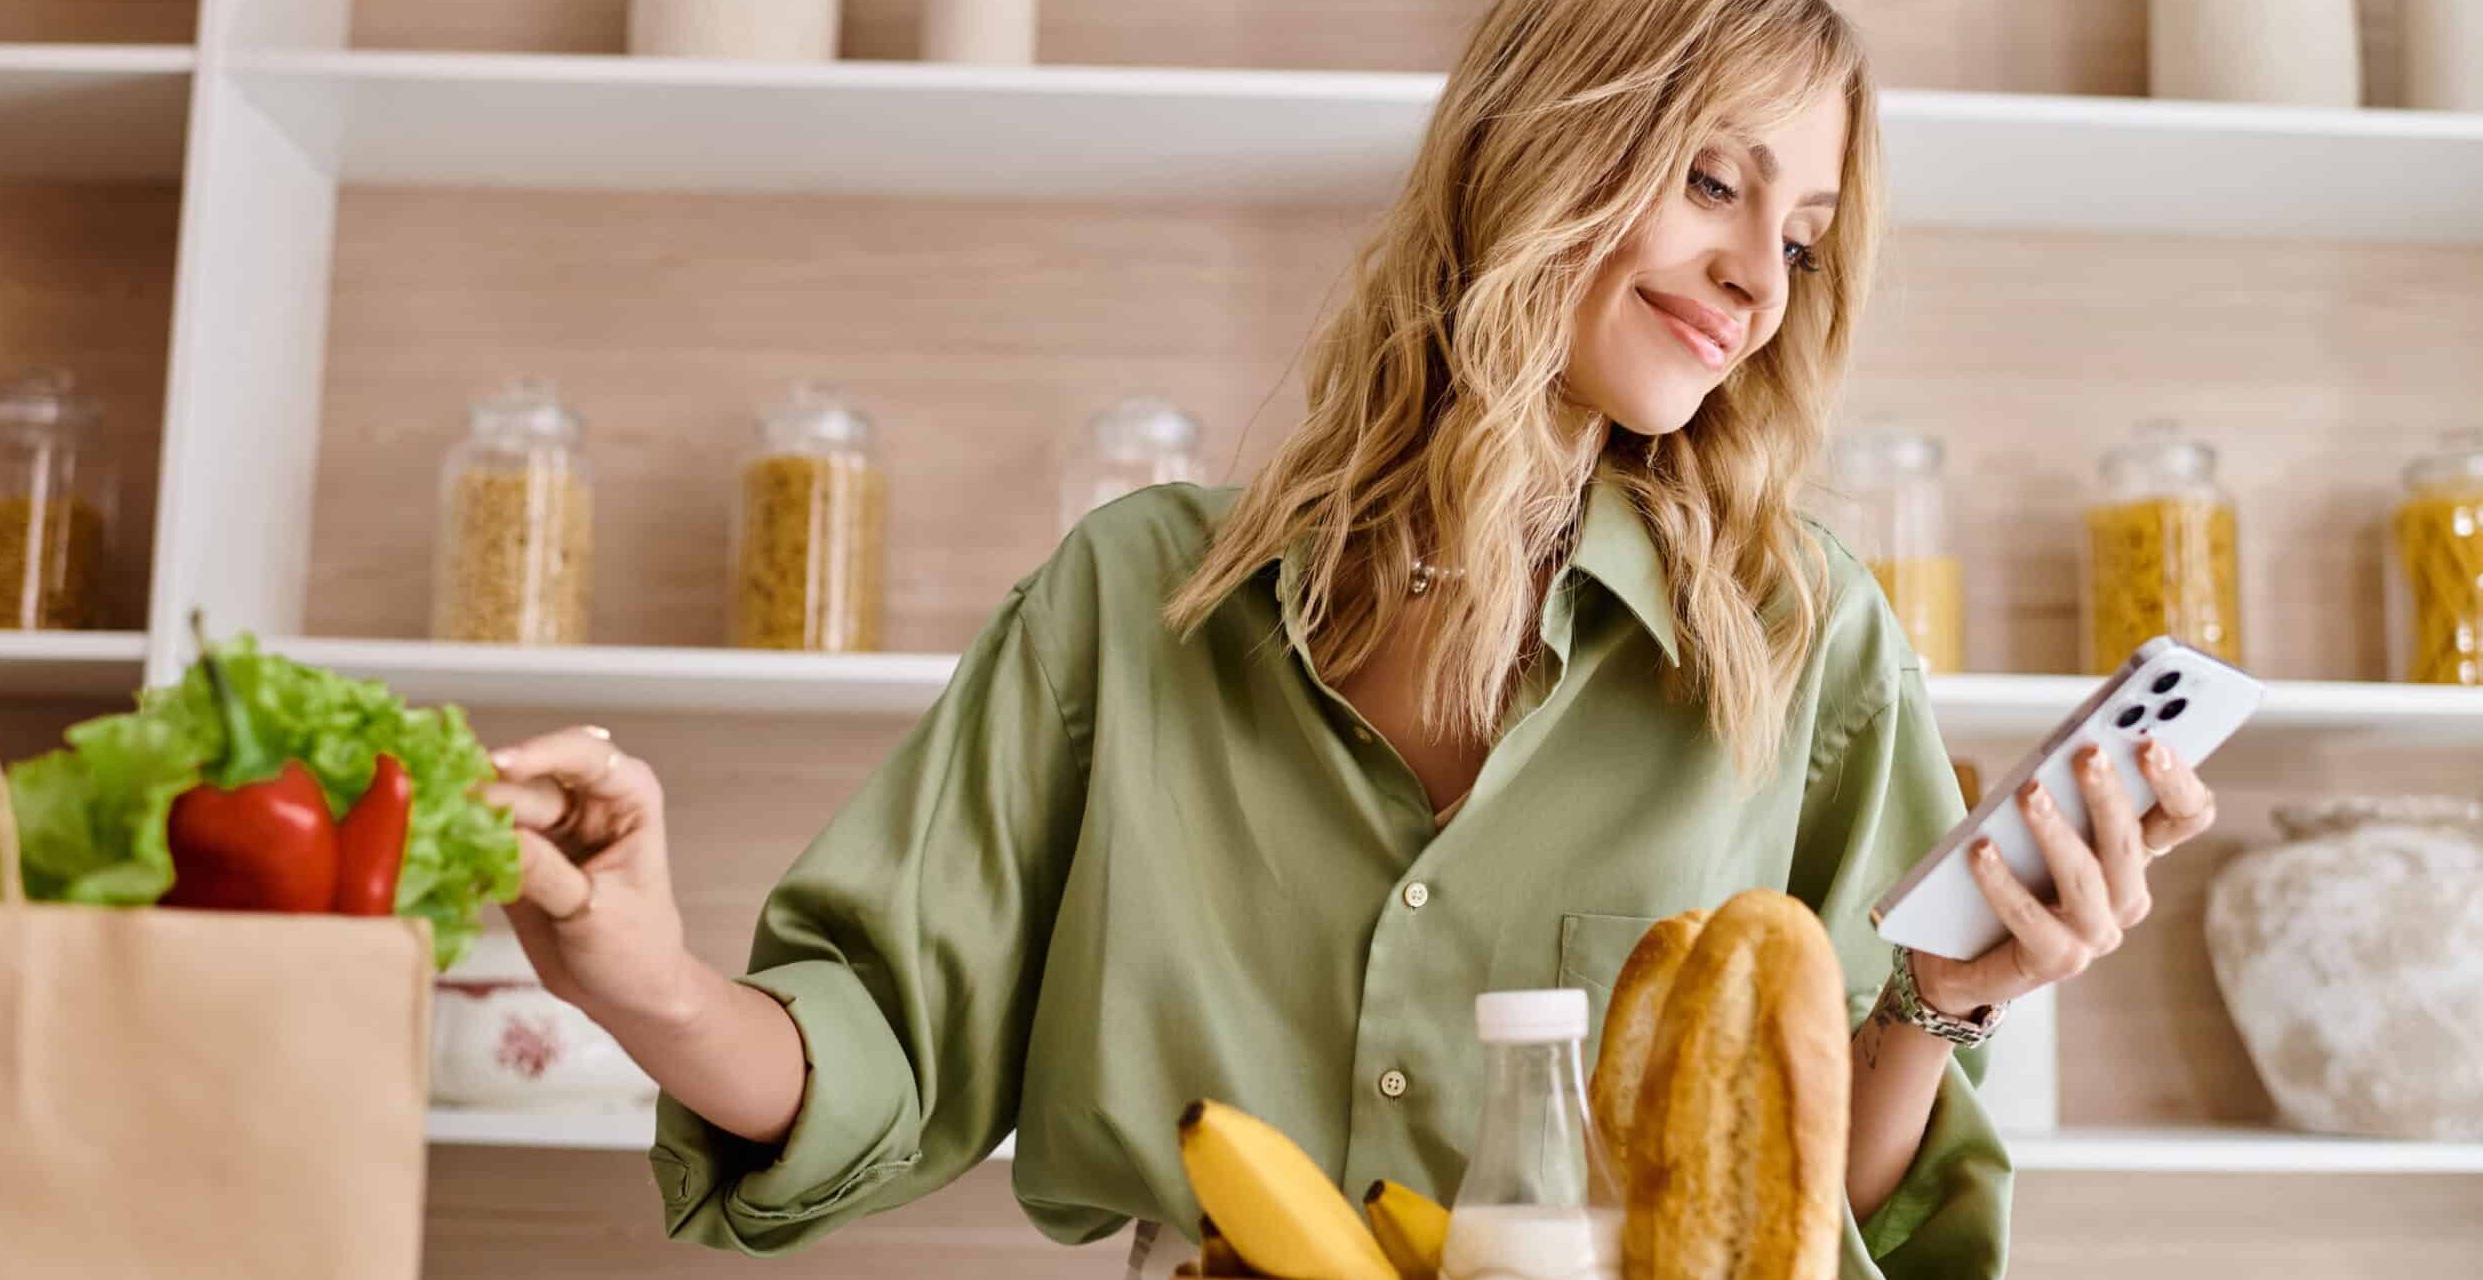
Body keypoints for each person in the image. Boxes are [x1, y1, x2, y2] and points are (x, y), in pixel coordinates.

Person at [484, 1, 2219, 1275]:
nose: (1762, 279)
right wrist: (642, 978)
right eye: (1712, 182)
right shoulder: (1137, 603)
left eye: (1804, 235)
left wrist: (1948, 1000)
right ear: (1546, 144)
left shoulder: (1803, 640)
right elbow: (877, 1060)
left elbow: (1820, 1205)